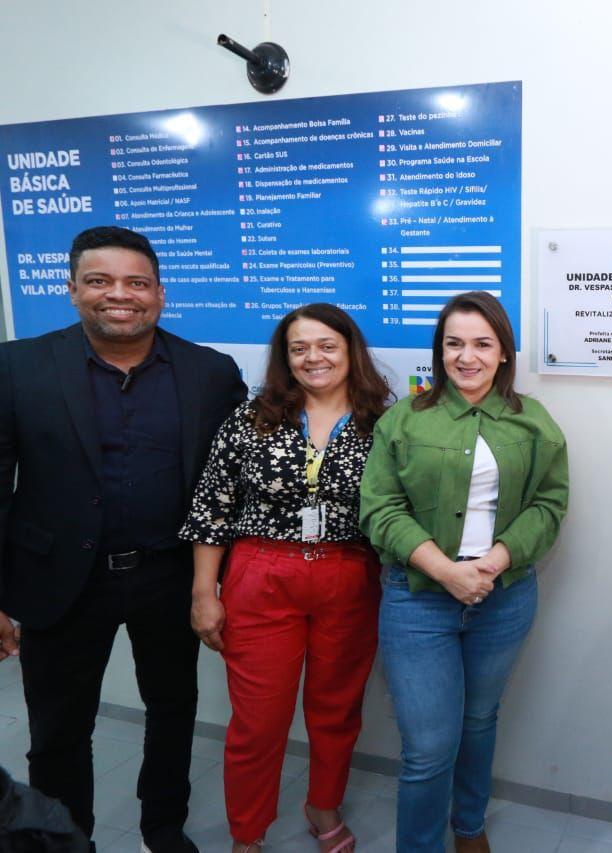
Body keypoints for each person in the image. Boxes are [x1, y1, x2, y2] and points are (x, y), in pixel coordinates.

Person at [0, 226, 247, 851]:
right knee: (58, 729)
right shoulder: (17, 366)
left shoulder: (210, 373)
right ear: (73, 289)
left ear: (160, 294)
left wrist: (218, 585)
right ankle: (62, 836)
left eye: (136, 283)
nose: (120, 295)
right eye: (100, 281)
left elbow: (230, 489)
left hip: (169, 578)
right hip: (57, 582)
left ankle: (163, 828)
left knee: (173, 713)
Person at [360, 291, 569, 853]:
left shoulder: (533, 421)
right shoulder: (403, 418)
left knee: (478, 721)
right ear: (439, 351)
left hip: (502, 599)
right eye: (454, 343)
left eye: (482, 343)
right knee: (428, 746)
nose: (466, 356)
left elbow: (549, 505)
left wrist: (493, 563)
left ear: (504, 353)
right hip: (417, 599)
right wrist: (445, 570)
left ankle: (469, 825)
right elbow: (379, 507)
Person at [179, 304, 392, 853]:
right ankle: (247, 834)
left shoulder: (383, 422)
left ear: (350, 352)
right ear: (285, 358)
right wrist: (205, 592)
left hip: (348, 576)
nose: (313, 358)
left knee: (337, 709)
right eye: (299, 348)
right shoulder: (251, 419)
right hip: (261, 575)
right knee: (258, 722)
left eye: (326, 345)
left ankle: (322, 807)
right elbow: (212, 507)